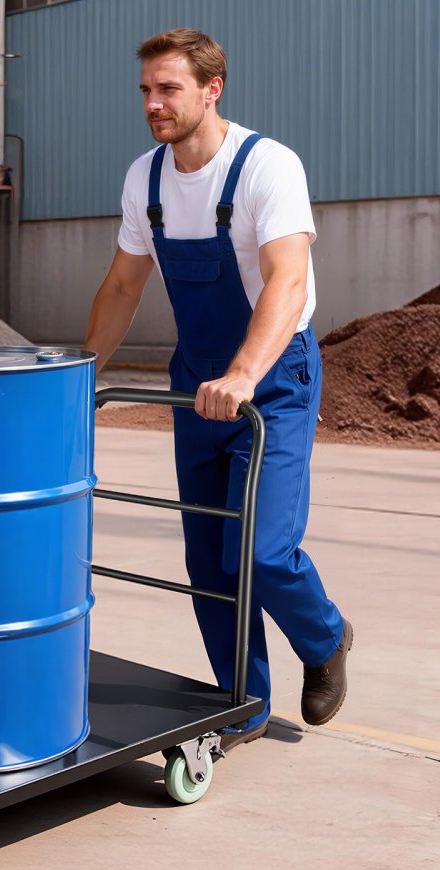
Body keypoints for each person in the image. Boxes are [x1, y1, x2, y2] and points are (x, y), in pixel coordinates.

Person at [85, 28, 352, 753]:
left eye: (167, 88)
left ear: (212, 89)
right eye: (145, 89)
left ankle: (326, 638)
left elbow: (287, 281)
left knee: (260, 554)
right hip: (196, 382)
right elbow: (121, 286)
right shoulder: (145, 180)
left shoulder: (268, 166)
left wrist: (243, 374)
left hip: (273, 380)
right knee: (207, 562)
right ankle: (245, 702)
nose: (152, 103)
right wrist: (79, 374)